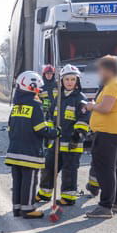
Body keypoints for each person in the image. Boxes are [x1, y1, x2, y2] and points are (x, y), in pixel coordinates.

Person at [5, 71, 59, 218]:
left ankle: (17, 208)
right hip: (30, 153)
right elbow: (41, 129)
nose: (39, 92)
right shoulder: (35, 105)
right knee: (29, 181)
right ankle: (28, 209)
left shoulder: (16, 107)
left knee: (18, 181)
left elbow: (10, 129)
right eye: (38, 89)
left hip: (14, 151)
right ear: (32, 88)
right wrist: (55, 132)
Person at [83, 55, 117, 218]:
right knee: (115, 168)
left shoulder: (112, 84)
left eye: (101, 69)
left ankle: (105, 206)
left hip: (108, 132)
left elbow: (106, 107)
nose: (99, 72)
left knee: (105, 170)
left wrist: (91, 106)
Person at [37, 64, 90, 205]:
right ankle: (44, 194)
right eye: (67, 79)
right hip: (55, 142)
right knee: (48, 167)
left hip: (72, 144)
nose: (70, 82)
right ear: (61, 81)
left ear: (77, 81)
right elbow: (49, 117)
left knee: (69, 171)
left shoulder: (80, 99)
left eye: (73, 79)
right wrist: (48, 134)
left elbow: (84, 120)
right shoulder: (58, 98)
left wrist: (77, 136)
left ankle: (68, 197)